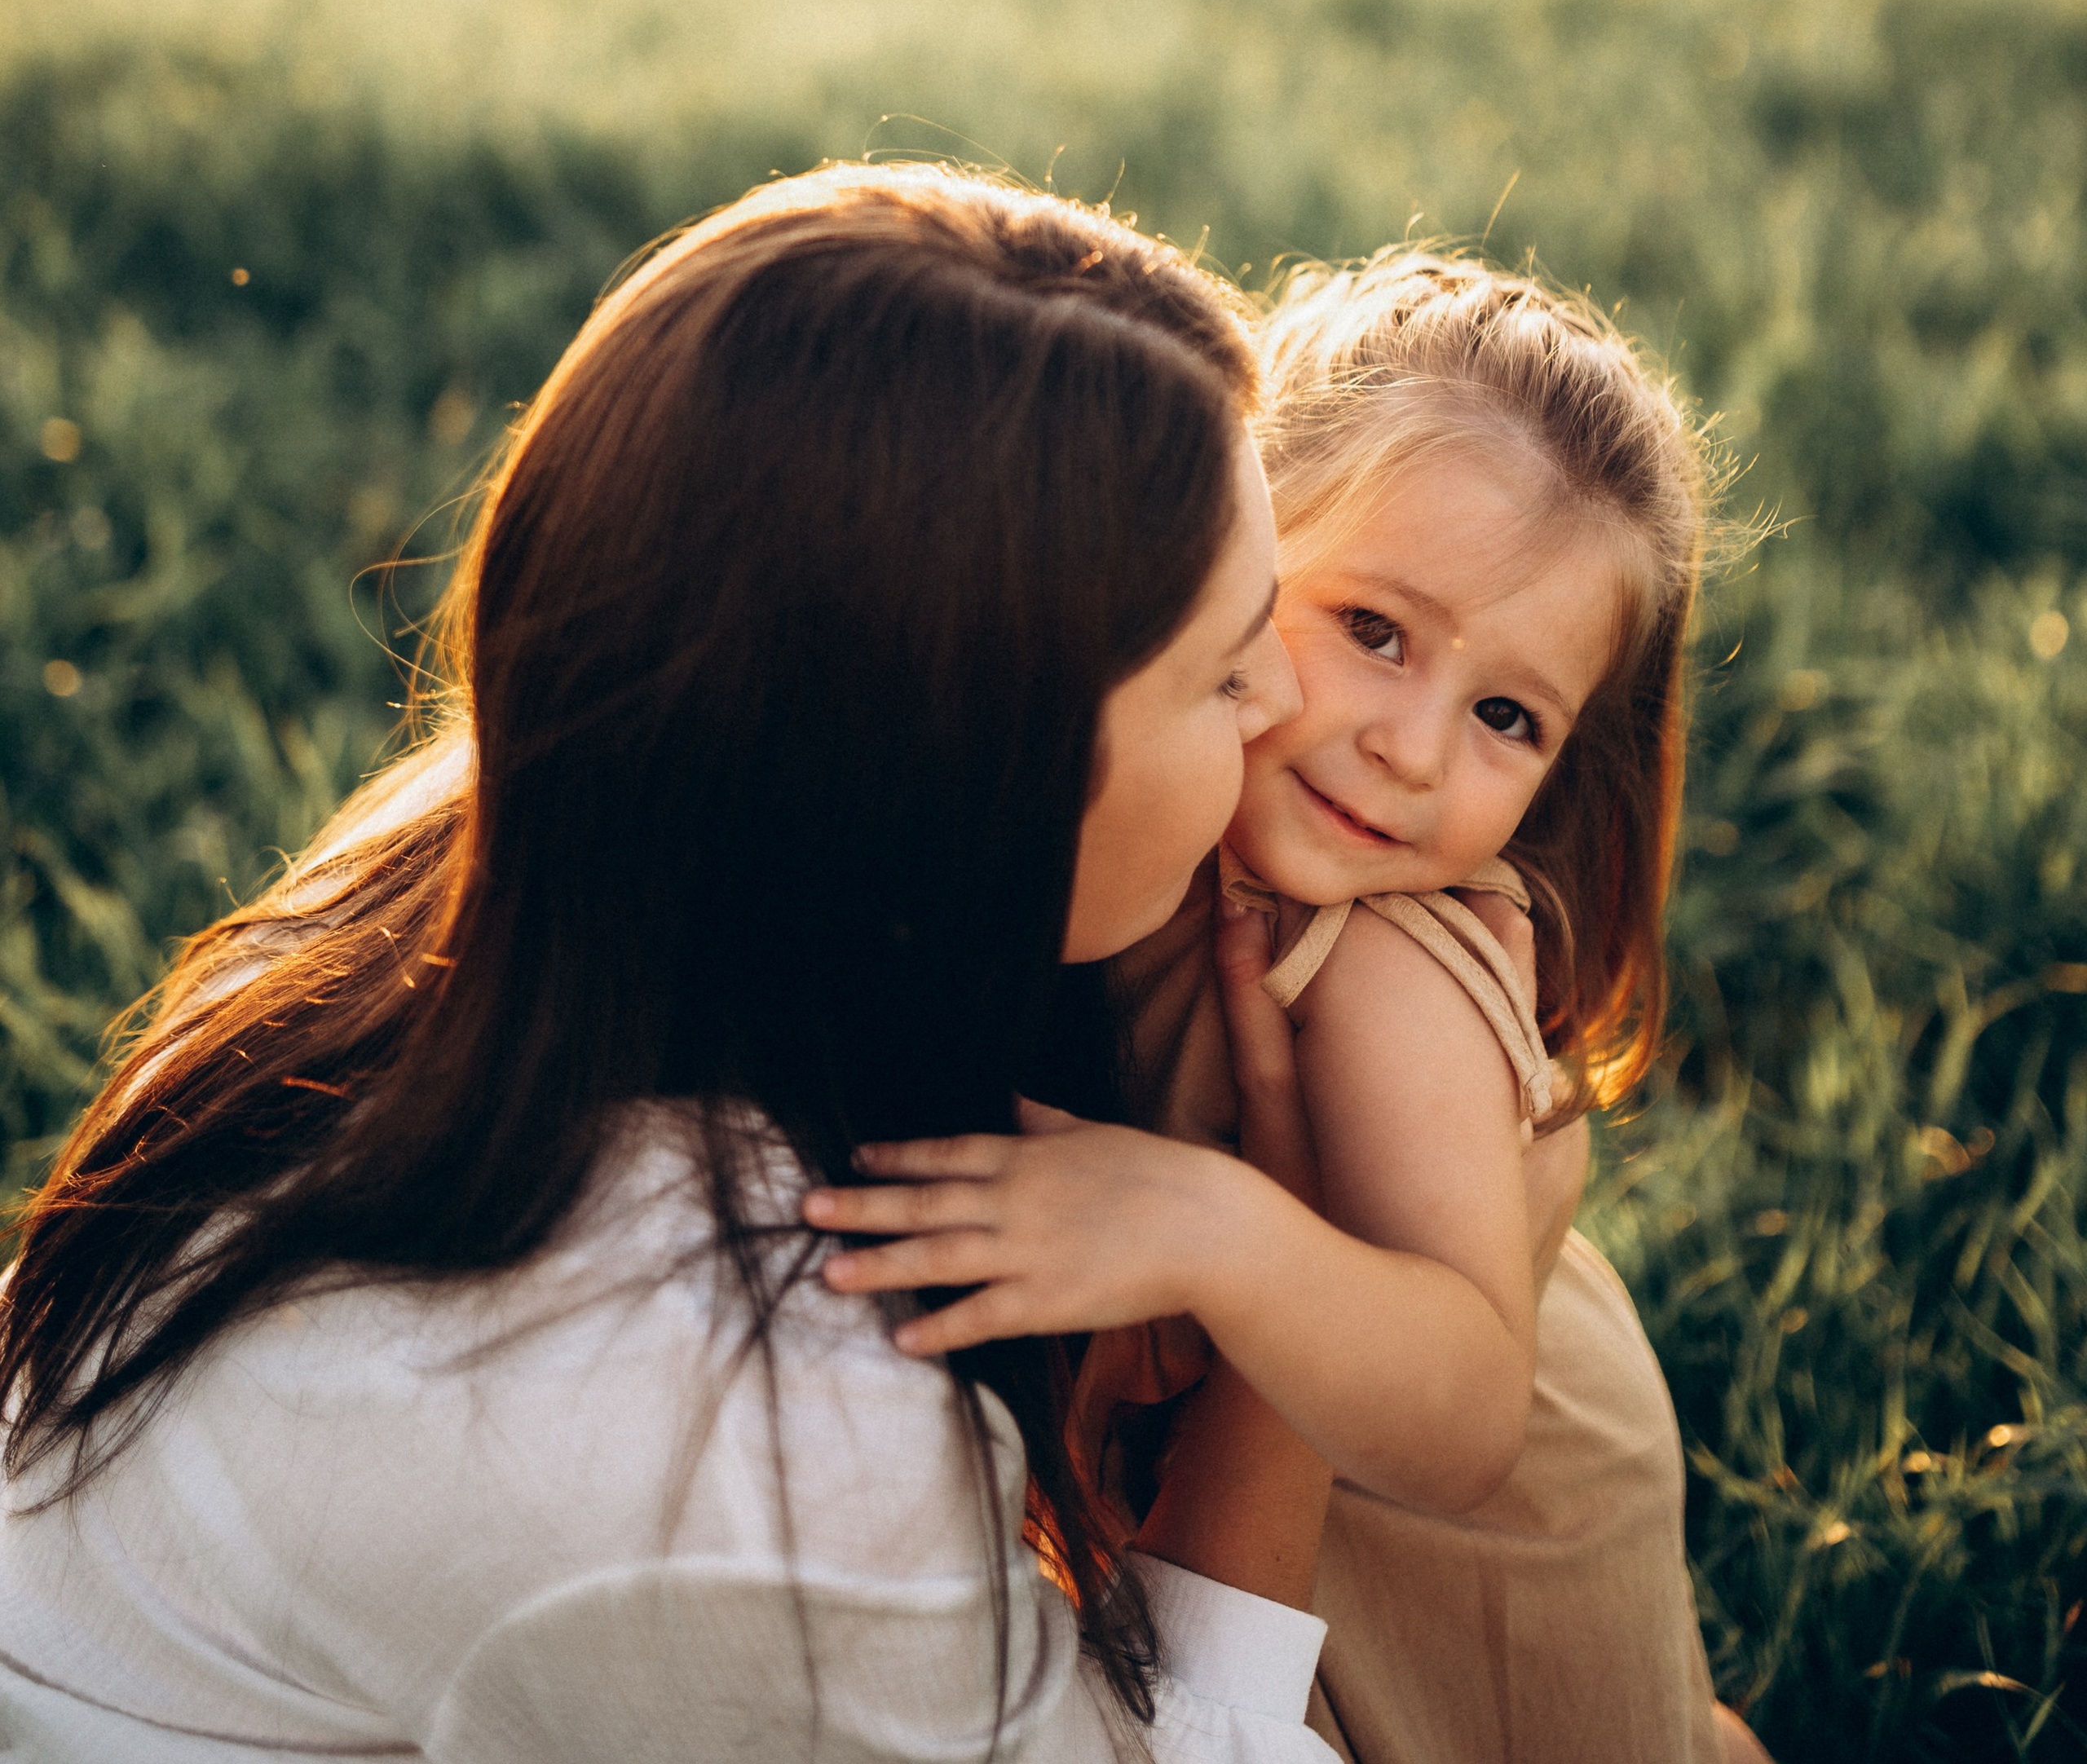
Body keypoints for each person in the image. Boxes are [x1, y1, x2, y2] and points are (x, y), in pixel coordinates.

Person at [0, 164, 1346, 1762]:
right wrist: (1300, 1291)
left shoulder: (473, 879)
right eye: (1221, 671)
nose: (1286, 699)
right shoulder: (761, 1420)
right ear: (966, 793)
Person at [1064, 249, 1772, 1763]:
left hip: (1471, 1571)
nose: (1416, 750)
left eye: (1507, 715)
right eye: (1373, 631)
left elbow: (1462, 1415)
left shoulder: (1378, 962)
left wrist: (1210, 1229)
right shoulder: (1146, 848)